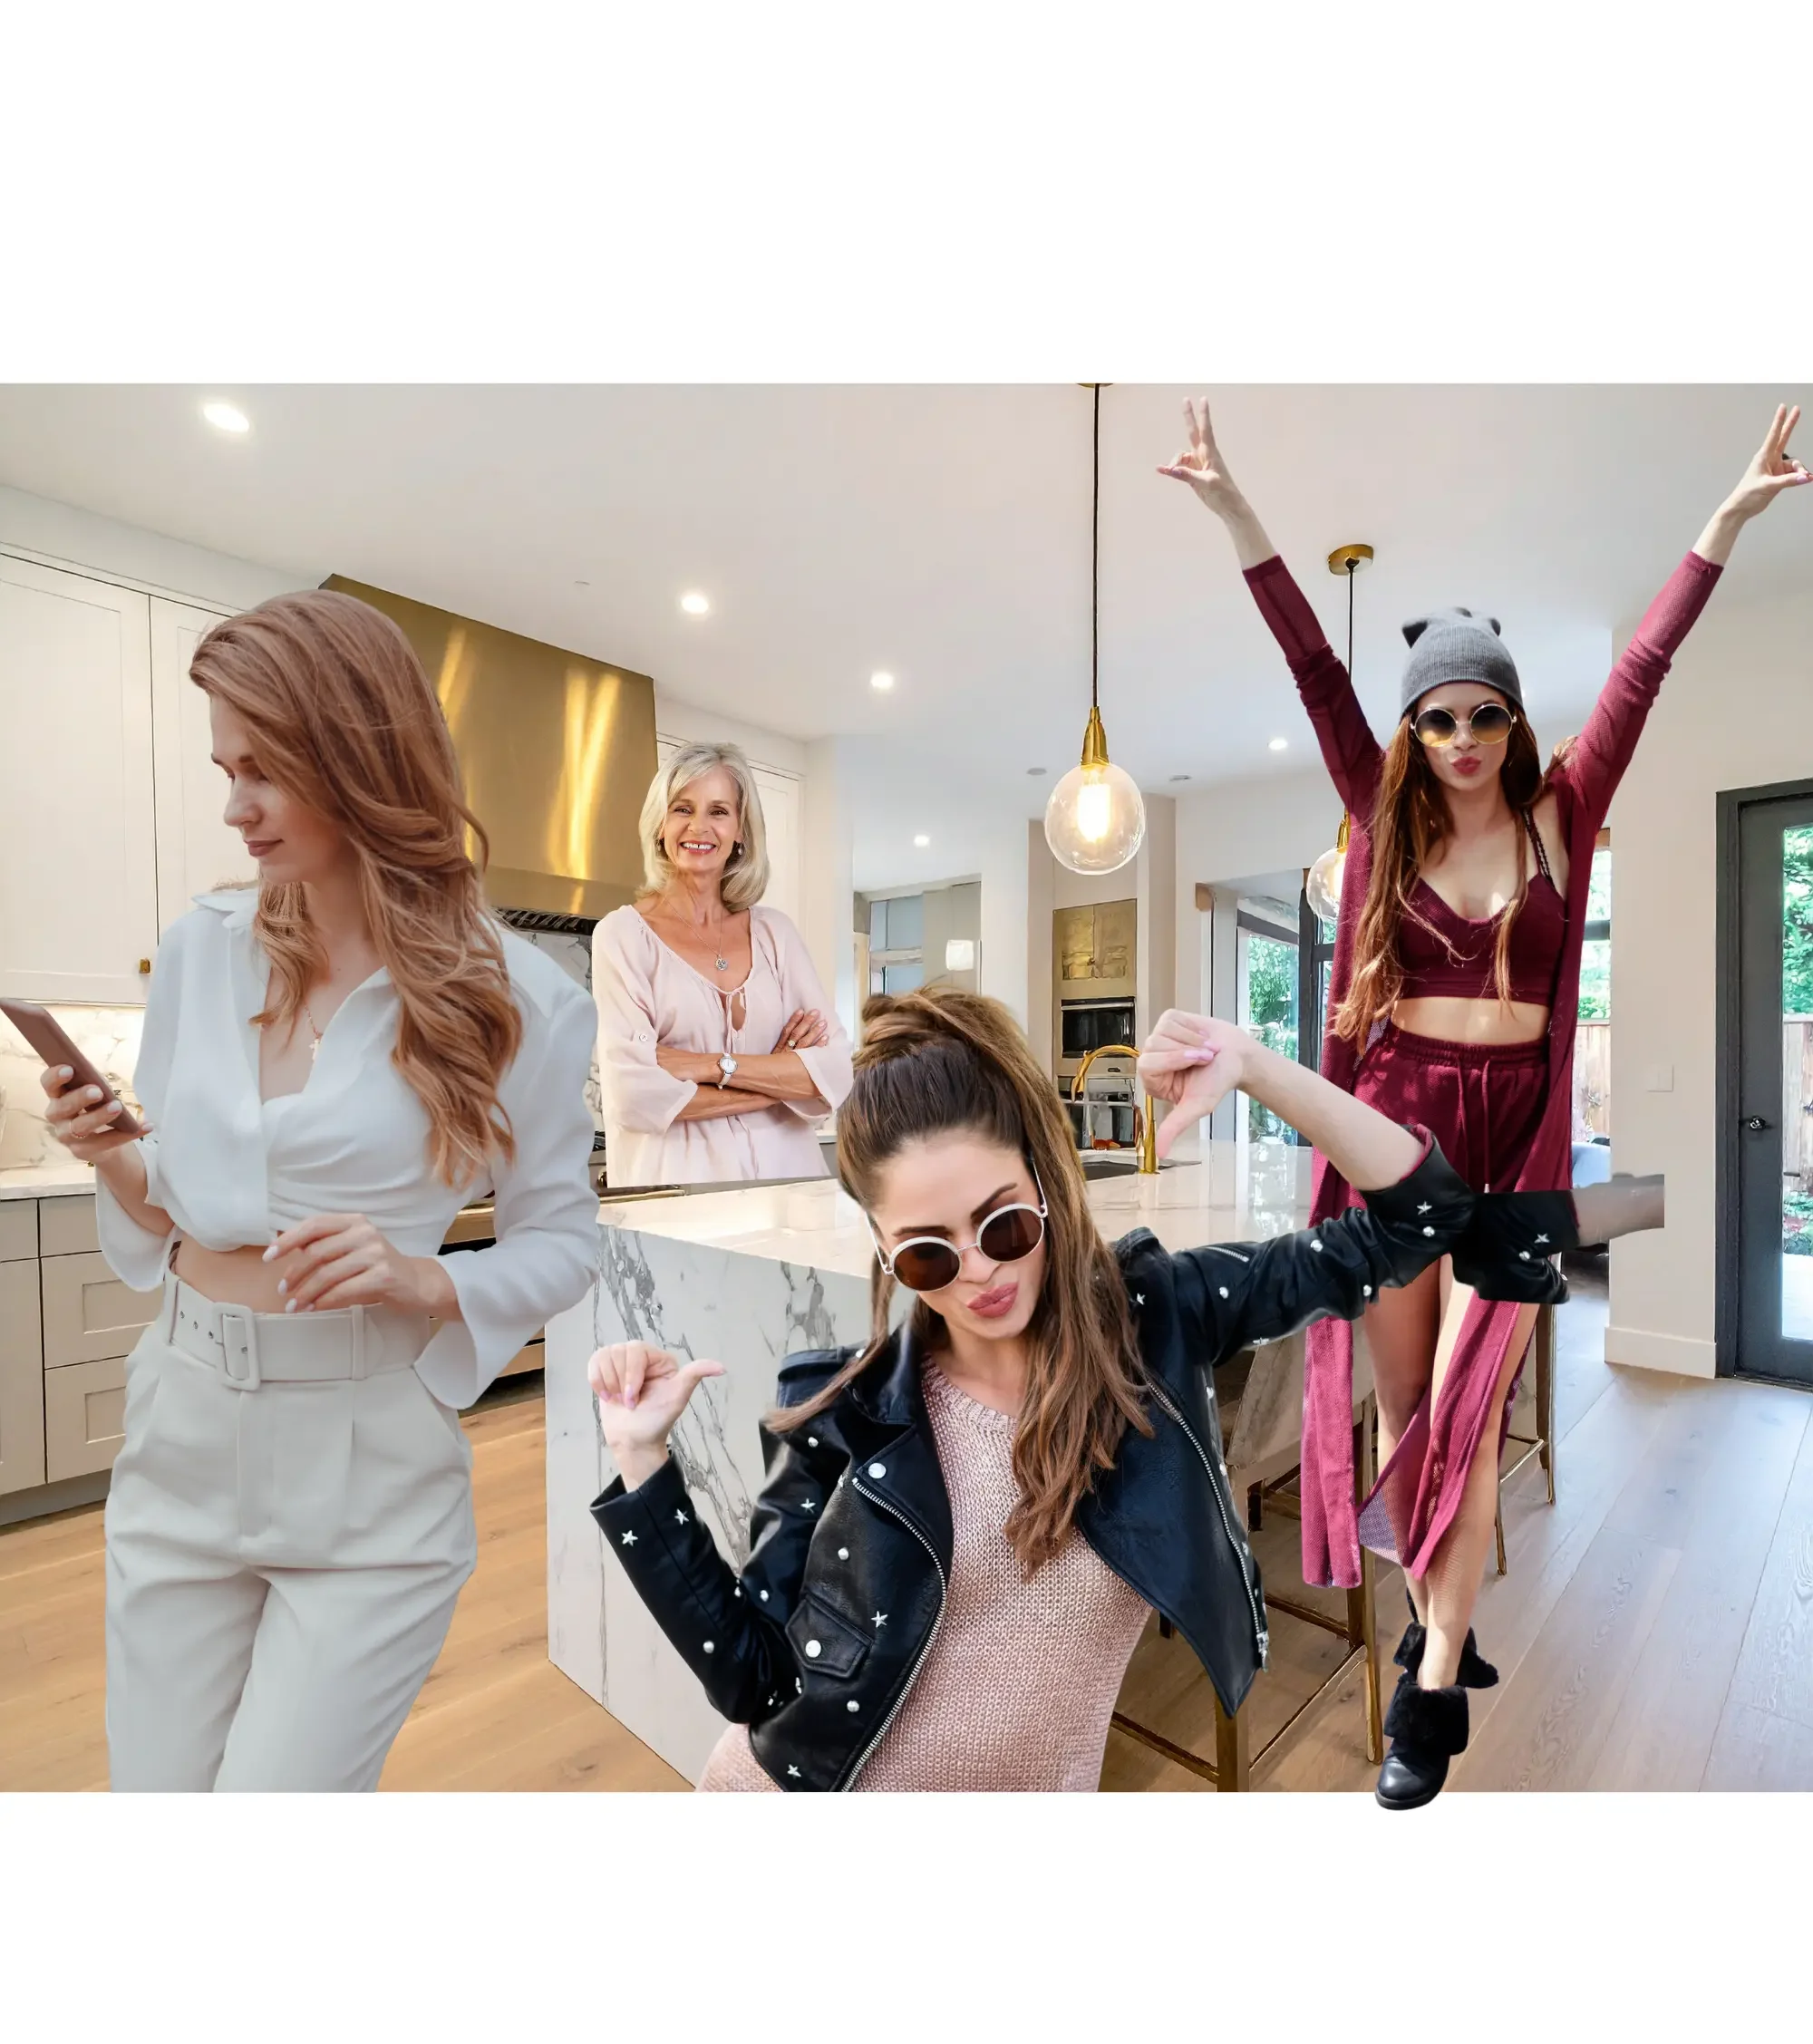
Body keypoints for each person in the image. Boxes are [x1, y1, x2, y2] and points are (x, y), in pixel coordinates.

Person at [1161, 395, 1808, 1805]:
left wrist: (1729, 519)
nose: (1459, 735)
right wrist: (1235, 511)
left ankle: (1432, 1682)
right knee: (1409, 1418)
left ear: (1515, 722)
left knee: (1467, 1408)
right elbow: (1311, 671)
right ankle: (1437, 1625)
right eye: (1437, 716)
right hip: (1393, 1141)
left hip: (1510, 1143)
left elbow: (1645, 662)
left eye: (1484, 713)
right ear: (1413, 731)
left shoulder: (1566, 811)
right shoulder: (1378, 812)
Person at [585, 988, 1659, 1795]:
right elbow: (755, 1684)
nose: (980, 1274)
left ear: (1046, 1187)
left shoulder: (1157, 1318)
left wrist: (1251, 1064)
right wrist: (643, 1468)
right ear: (879, 1248)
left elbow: (1417, 1217)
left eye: (1002, 1225)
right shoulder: (845, 1416)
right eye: (926, 1256)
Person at [41, 589, 599, 1791]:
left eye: (264, 770)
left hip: (367, 1468)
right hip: (182, 1423)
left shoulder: (523, 1002)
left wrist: (426, 1277)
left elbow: (565, 1243)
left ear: (358, 754)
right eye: (223, 769)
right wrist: (111, 1154)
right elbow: (172, 1211)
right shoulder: (203, 946)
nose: (235, 808)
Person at [591, 741, 851, 1187]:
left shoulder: (776, 934)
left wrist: (710, 1066)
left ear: (741, 831)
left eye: (718, 811)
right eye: (682, 809)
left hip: (790, 1195)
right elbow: (633, 1097)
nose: (699, 826)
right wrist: (777, 1081)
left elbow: (834, 1075)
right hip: (680, 1205)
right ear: (659, 825)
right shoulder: (623, 936)